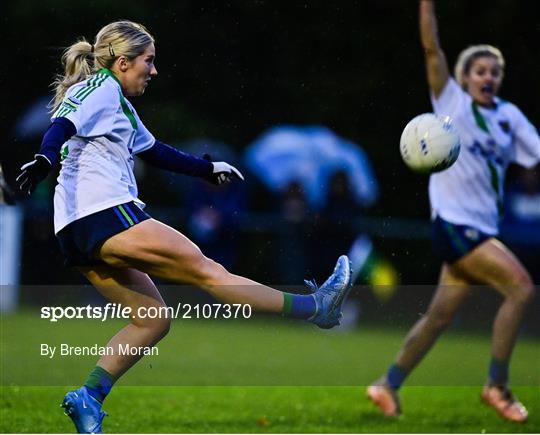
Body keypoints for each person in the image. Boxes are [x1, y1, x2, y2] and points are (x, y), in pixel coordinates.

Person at [17, 21, 353, 434]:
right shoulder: (100, 88)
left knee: (153, 319)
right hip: (103, 213)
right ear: (122, 62)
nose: (153, 71)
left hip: (77, 228)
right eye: (148, 61)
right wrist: (46, 159)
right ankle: (316, 307)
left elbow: (154, 150)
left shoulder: (116, 102)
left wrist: (207, 169)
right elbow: (61, 124)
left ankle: (89, 397)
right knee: (209, 272)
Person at [367, 0, 539, 423]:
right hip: (454, 226)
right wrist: (426, 6)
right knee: (521, 288)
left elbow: (535, 156)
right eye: (480, 71)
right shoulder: (451, 106)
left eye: (495, 71)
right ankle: (496, 385)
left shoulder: (509, 118)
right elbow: (432, 49)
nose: (488, 77)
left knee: (439, 317)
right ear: (464, 78)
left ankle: (387, 384)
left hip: (480, 229)